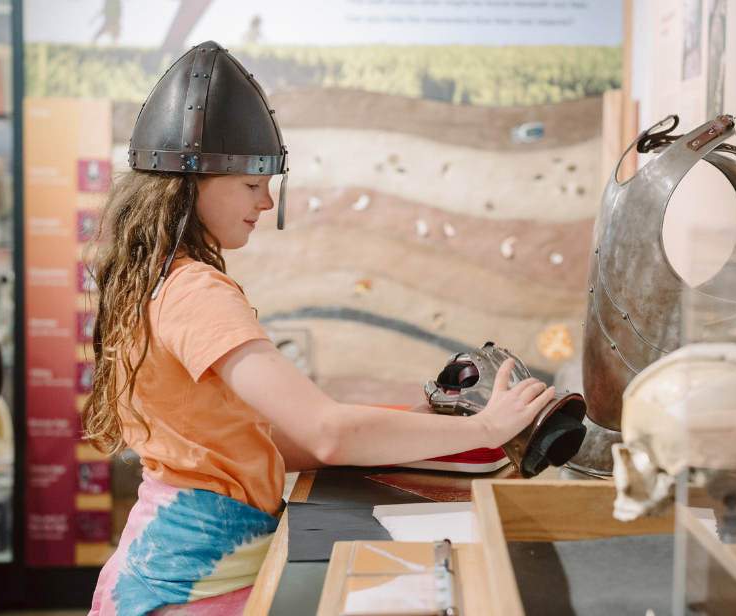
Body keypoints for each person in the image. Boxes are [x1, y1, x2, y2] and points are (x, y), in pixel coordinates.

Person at [84, 42, 554, 615]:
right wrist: (486, 426)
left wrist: (411, 427)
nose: (266, 200)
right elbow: (327, 431)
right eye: (251, 184)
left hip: (163, 569)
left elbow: (260, 443)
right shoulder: (196, 292)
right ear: (195, 182)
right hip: (193, 588)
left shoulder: (151, 280)